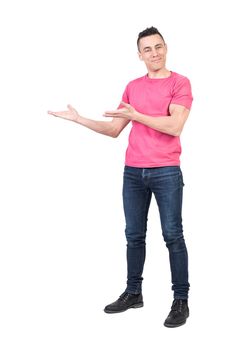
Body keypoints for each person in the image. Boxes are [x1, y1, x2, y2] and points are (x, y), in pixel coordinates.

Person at [48, 26, 193, 328]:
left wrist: (137, 116)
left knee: (172, 235)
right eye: (148, 49)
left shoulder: (180, 83)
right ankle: (133, 293)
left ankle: (181, 300)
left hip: (166, 170)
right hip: (133, 173)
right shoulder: (132, 86)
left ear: (166, 48)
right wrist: (79, 120)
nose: (155, 53)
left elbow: (175, 125)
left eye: (159, 47)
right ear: (140, 55)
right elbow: (114, 129)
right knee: (133, 235)